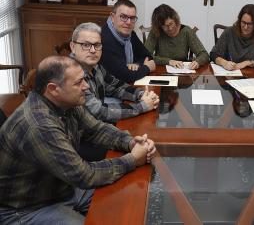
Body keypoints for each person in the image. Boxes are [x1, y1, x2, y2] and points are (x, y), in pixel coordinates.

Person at [0, 56, 155, 224]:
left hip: (59, 188)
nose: (86, 86)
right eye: (78, 82)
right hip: (27, 209)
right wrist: (132, 159)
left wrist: (131, 142)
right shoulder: (39, 125)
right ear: (53, 89)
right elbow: (84, 175)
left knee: (127, 200)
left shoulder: (67, 102)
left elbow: (96, 129)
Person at [70, 22, 159, 123]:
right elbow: (99, 112)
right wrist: (142, 106)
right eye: (86, 45)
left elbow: (116, 86)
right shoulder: (71, 74)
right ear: (73, 47)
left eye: (97, 45)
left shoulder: (95, 66)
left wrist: (141, 94)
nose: (93, 50)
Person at [100, 0, 156, 83]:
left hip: (124, 86)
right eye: (123, 17)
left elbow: (147, 56)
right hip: (107, 90)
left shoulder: (130, 34)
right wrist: (147, 68)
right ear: (112, 17)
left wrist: (136, 65)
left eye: (132, 18)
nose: (129, 22)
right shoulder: (104, 38)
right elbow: (124, 75)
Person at [144, 4, 209, 69]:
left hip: (181, 69)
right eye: (165, 26)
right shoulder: (155, 32)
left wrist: (197, 62)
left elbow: (204, 54)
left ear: (175, 19)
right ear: (159, 26)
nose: (170, 28)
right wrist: (169, 61)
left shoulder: (186, 31)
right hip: (160, 70)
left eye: (171, 23)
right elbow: (146, 56)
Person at [209, 4, 254, 70]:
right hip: (230, 74)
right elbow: (213, 54)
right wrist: (224, 63)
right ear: (239, 20)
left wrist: (248, 63)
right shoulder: (229, 32)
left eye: (249, 24)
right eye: (243, 22)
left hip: (252, 76)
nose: (245, 27)